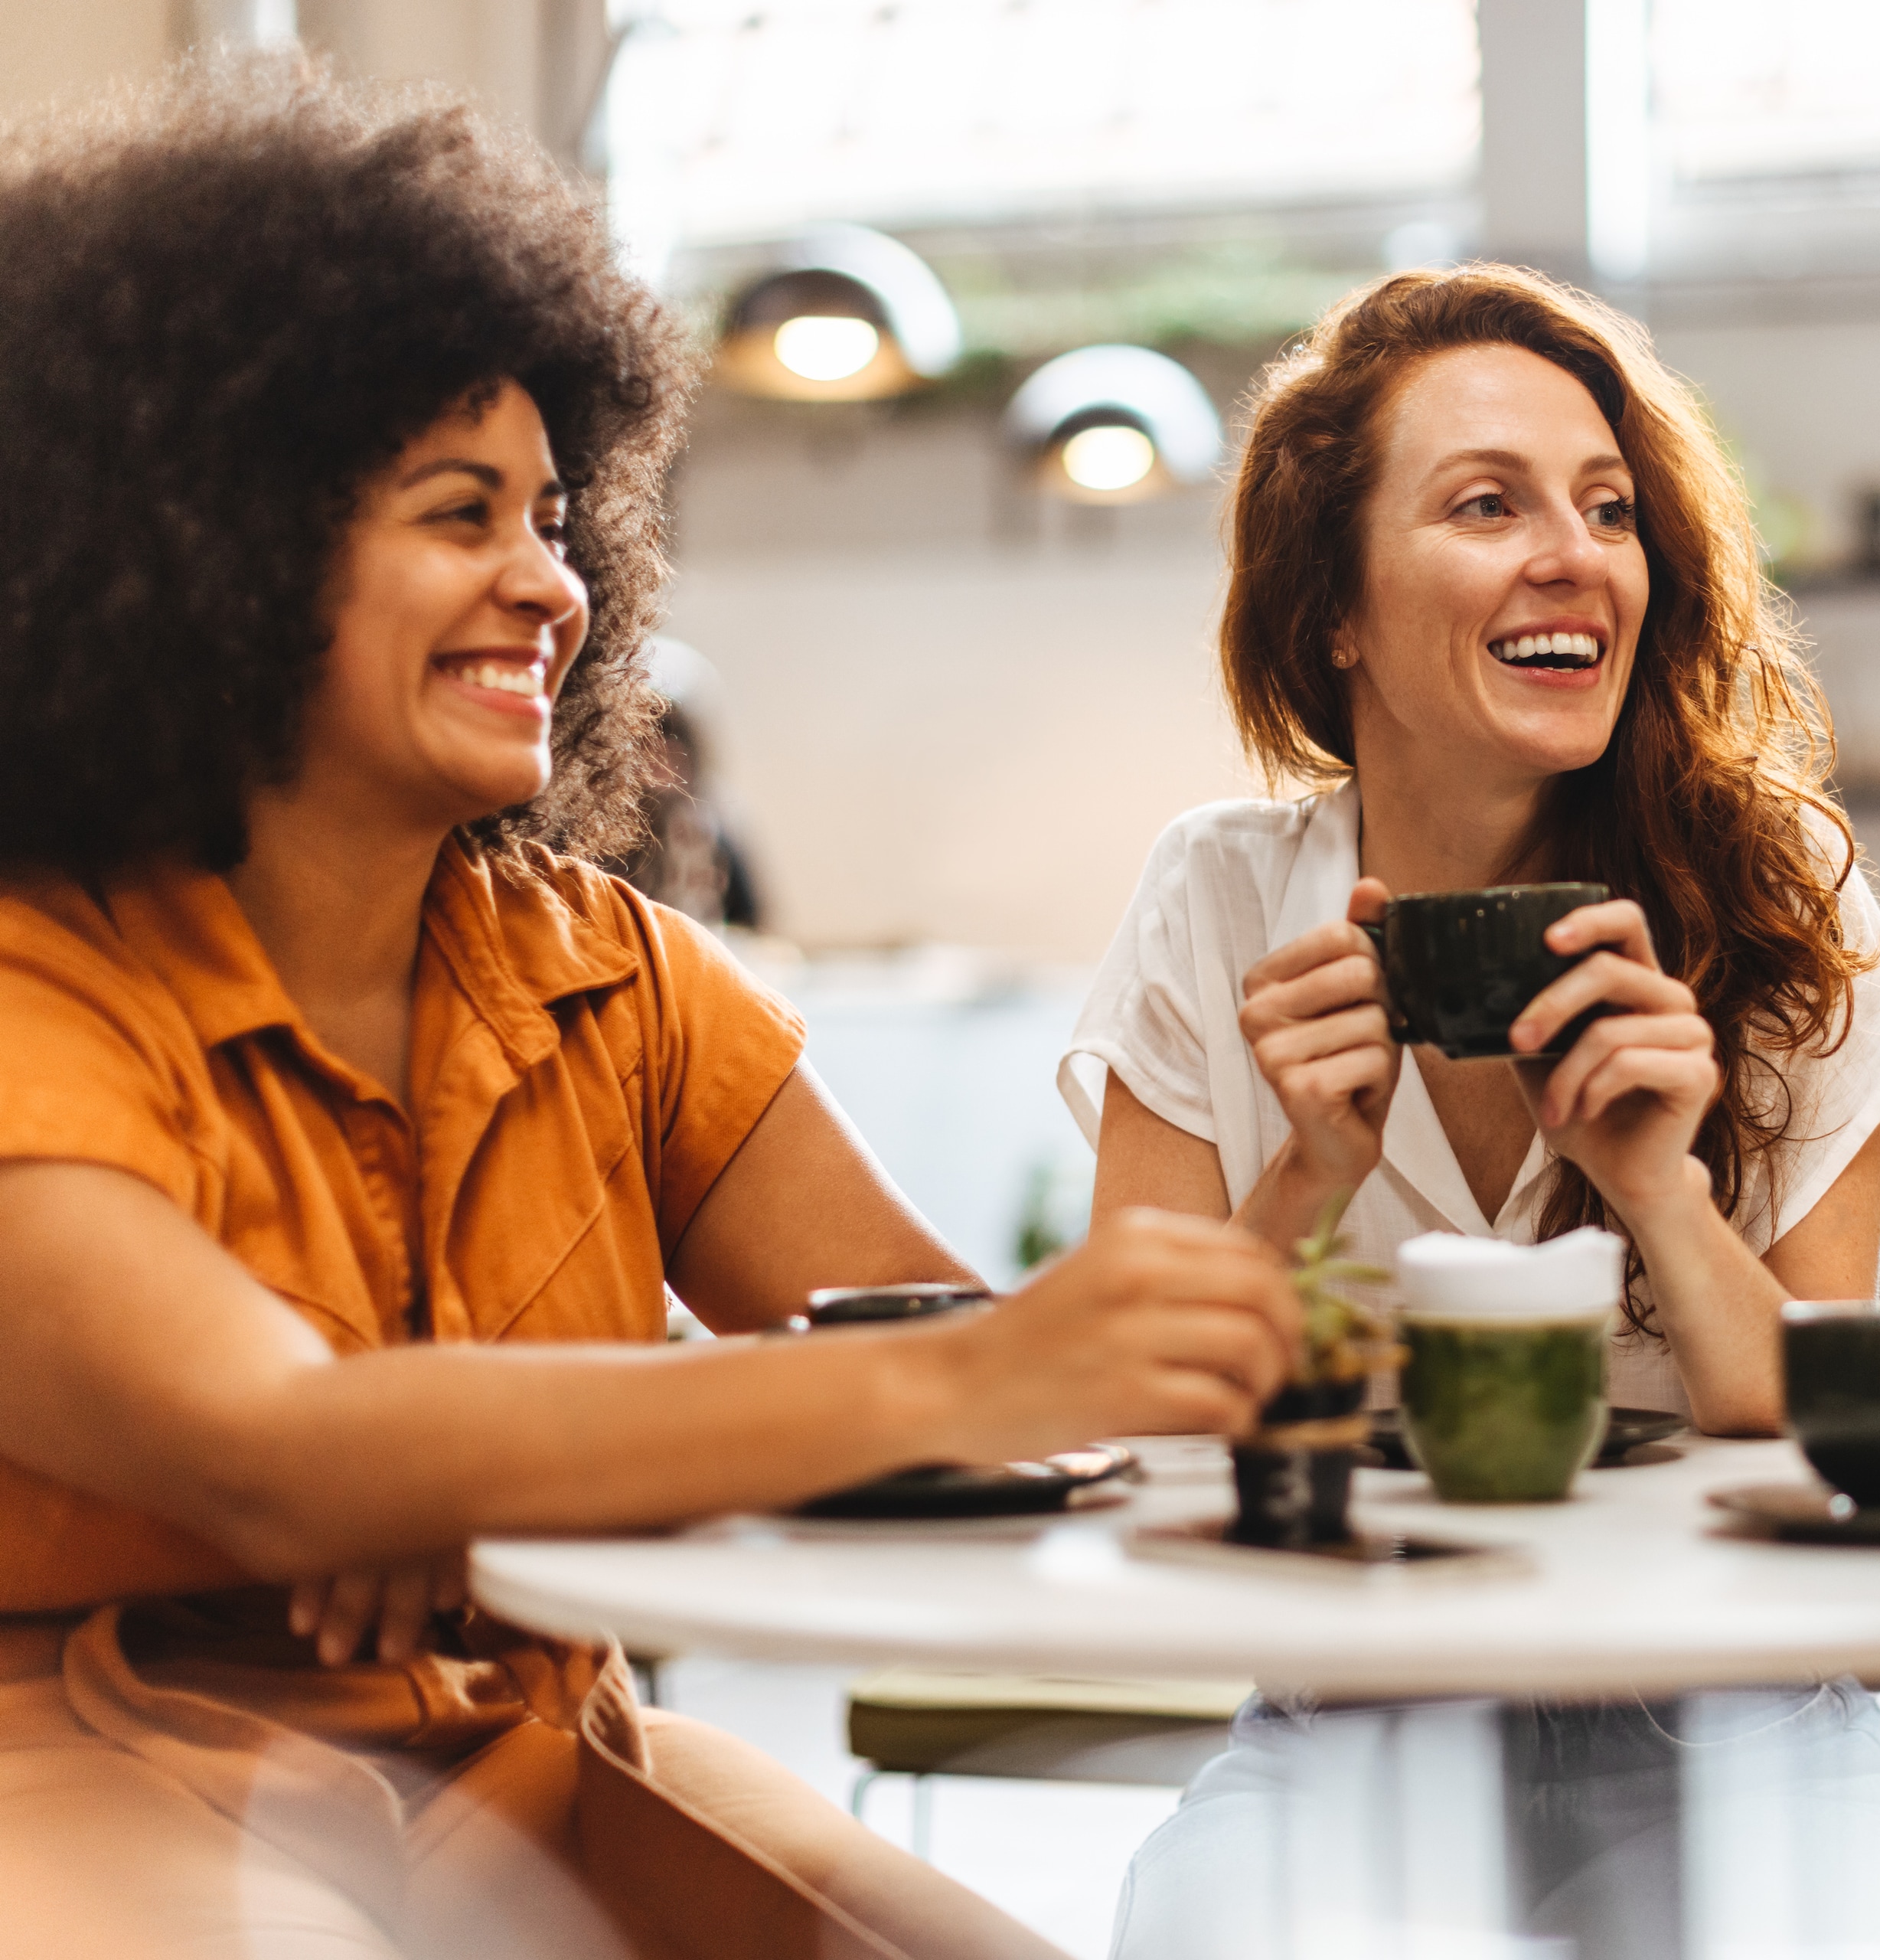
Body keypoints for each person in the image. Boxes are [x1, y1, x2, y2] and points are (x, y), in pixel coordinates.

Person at [0, 60, 1301, 1959]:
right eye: (463, 515)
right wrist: (411, 1460)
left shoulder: (616, 974)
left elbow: (1002, 1402)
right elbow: (277, 1451)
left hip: (537, 1748)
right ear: (214, 545)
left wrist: (475, 1458)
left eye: (554, 515)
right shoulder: (42, 980)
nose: (554, 588)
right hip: (92, 1764)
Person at [1065, 264, 1880, 1434]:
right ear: (1332, 606)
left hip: (1684, 1617)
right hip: (1334, 1606)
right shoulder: (1216, 898)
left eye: (1610, 509)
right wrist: (1311, 1175)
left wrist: (1661, 1194)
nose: (1579, 559)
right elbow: (1132, 1412)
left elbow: (1833, 1426)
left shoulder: (1782, 896)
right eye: (1487, 505)